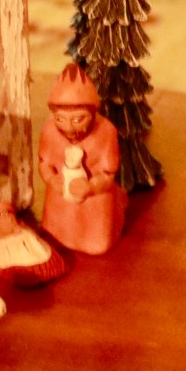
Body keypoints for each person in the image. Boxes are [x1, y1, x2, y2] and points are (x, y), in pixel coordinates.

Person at [38, 64, 127, 254]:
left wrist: (91, 186)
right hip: (61, 196)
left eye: (78, 119)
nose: (68, 128)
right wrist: (52, 179)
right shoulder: (49, 131)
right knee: (53, 233)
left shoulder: (106, 132)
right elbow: (44, 163)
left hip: (94, 200)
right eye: (60, 119)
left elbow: (108, 173)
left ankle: (94, 235)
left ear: (92, 114)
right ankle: (57, 232)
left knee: (96, 243)